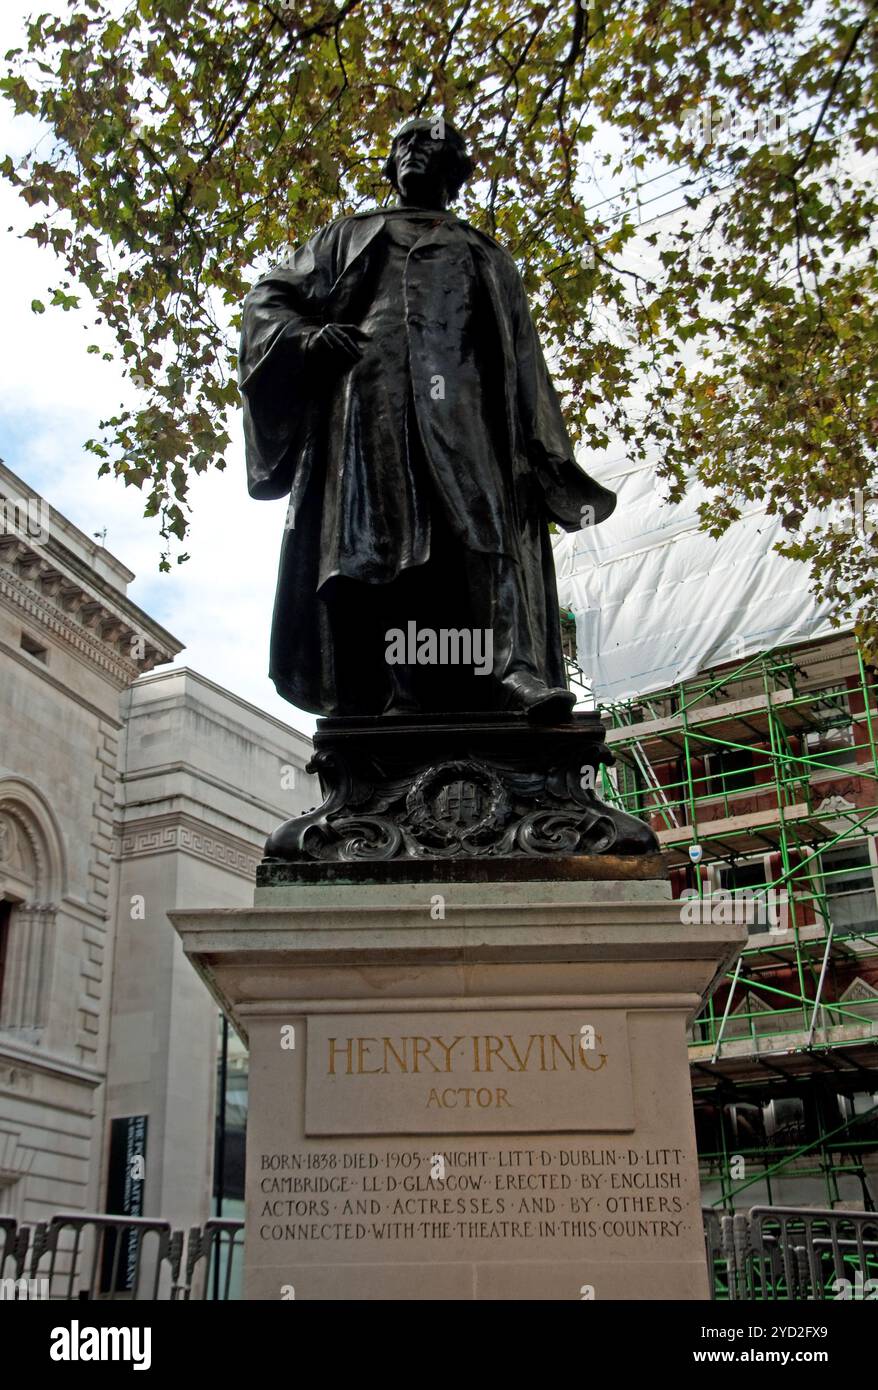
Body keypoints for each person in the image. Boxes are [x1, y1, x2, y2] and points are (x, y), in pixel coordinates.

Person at [240, 117, 615, 721]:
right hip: (371, 401)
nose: (413, 149)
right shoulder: (348, 235)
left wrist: (543, 450)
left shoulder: (485, 252)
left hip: (467, 409)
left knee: (482, 528)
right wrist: (307, 338)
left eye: (429, 140)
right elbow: (267, 300)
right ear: (391, 165)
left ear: (457, 167)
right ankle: (401, 689)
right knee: (385, 542)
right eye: (403, 142)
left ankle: (510, 671)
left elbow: (523, 360)